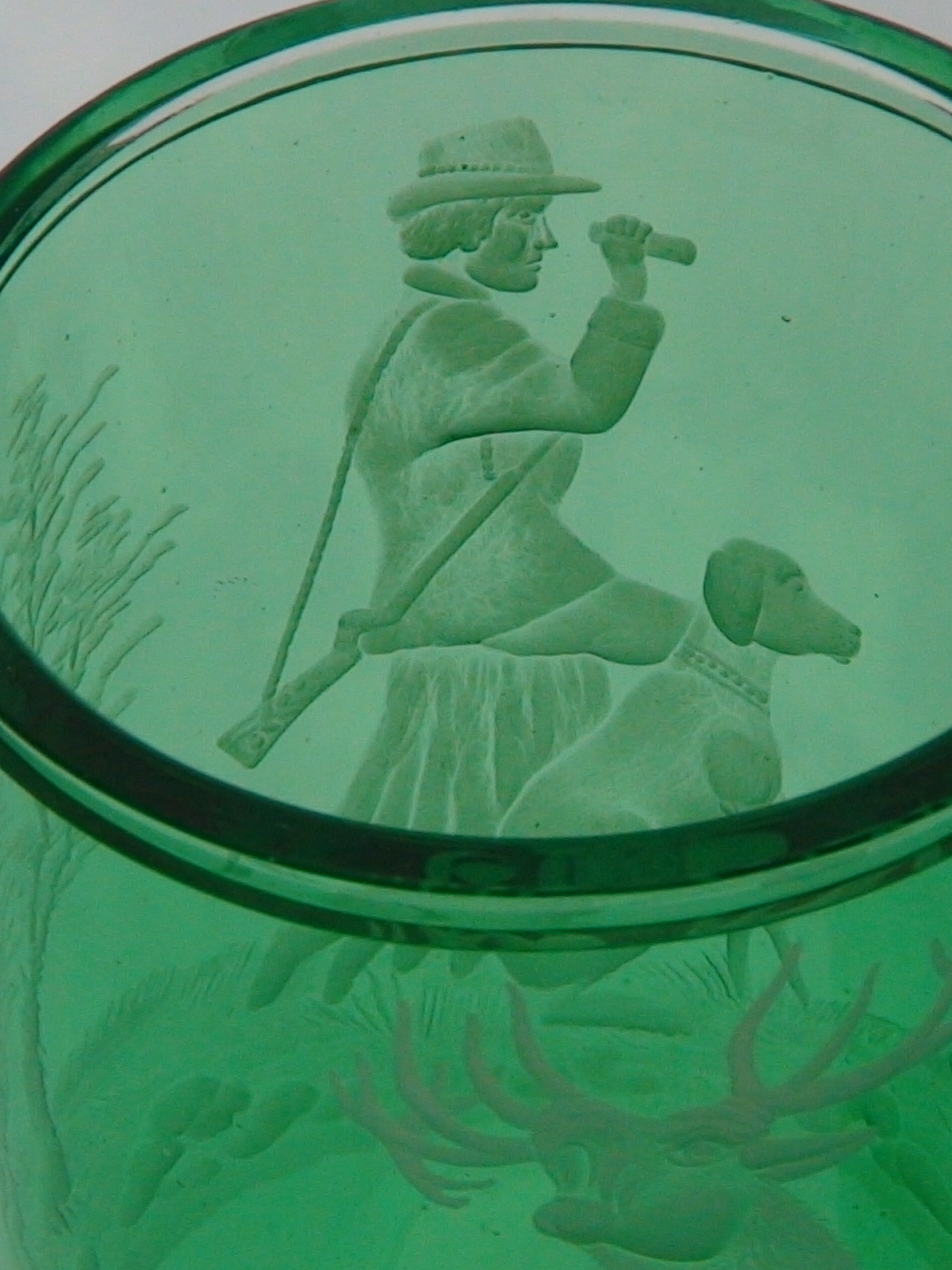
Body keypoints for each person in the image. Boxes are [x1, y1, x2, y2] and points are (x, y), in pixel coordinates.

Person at [247, 118, 673, 1006]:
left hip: (481, 596)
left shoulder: (431, 327)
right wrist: (628, 288)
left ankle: (381, 980)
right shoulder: (455, 336)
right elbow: (589, 400)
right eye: (524, 217)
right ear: (466, 224)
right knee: (692, 646)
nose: (547, 240)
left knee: (421, 812)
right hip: (498, 600)